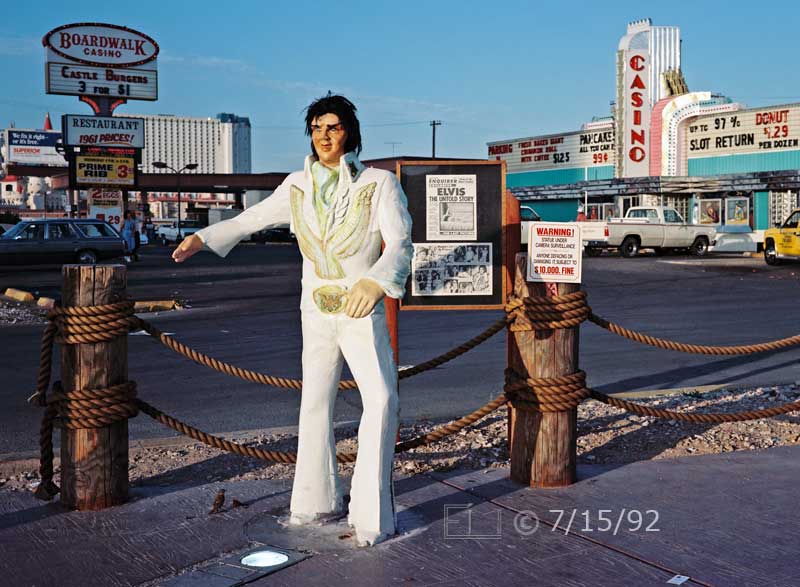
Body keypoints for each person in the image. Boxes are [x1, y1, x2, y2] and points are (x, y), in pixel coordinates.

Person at [171, 94, 412, 547]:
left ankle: (372, 513)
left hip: (360, 306)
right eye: (317, 127)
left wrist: (376, 282)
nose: (324, 136)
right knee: (314, 404)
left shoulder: (379, 183)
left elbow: (401, 243)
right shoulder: (296, 184)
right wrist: (204, 236)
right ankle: (314, 501)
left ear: (350, 133)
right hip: (315, 310)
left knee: (380, 399)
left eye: (333, 127)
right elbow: (254, 217)